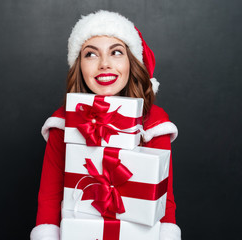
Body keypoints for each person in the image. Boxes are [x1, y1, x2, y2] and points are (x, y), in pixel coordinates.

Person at [30, 10, 181, 240]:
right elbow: (49, 199)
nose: (104, 64)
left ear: (131, 62)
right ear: (79, 65)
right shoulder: (62, 123)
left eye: (116, 52)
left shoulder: (154, 123)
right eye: (91, 54)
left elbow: (164, 199)